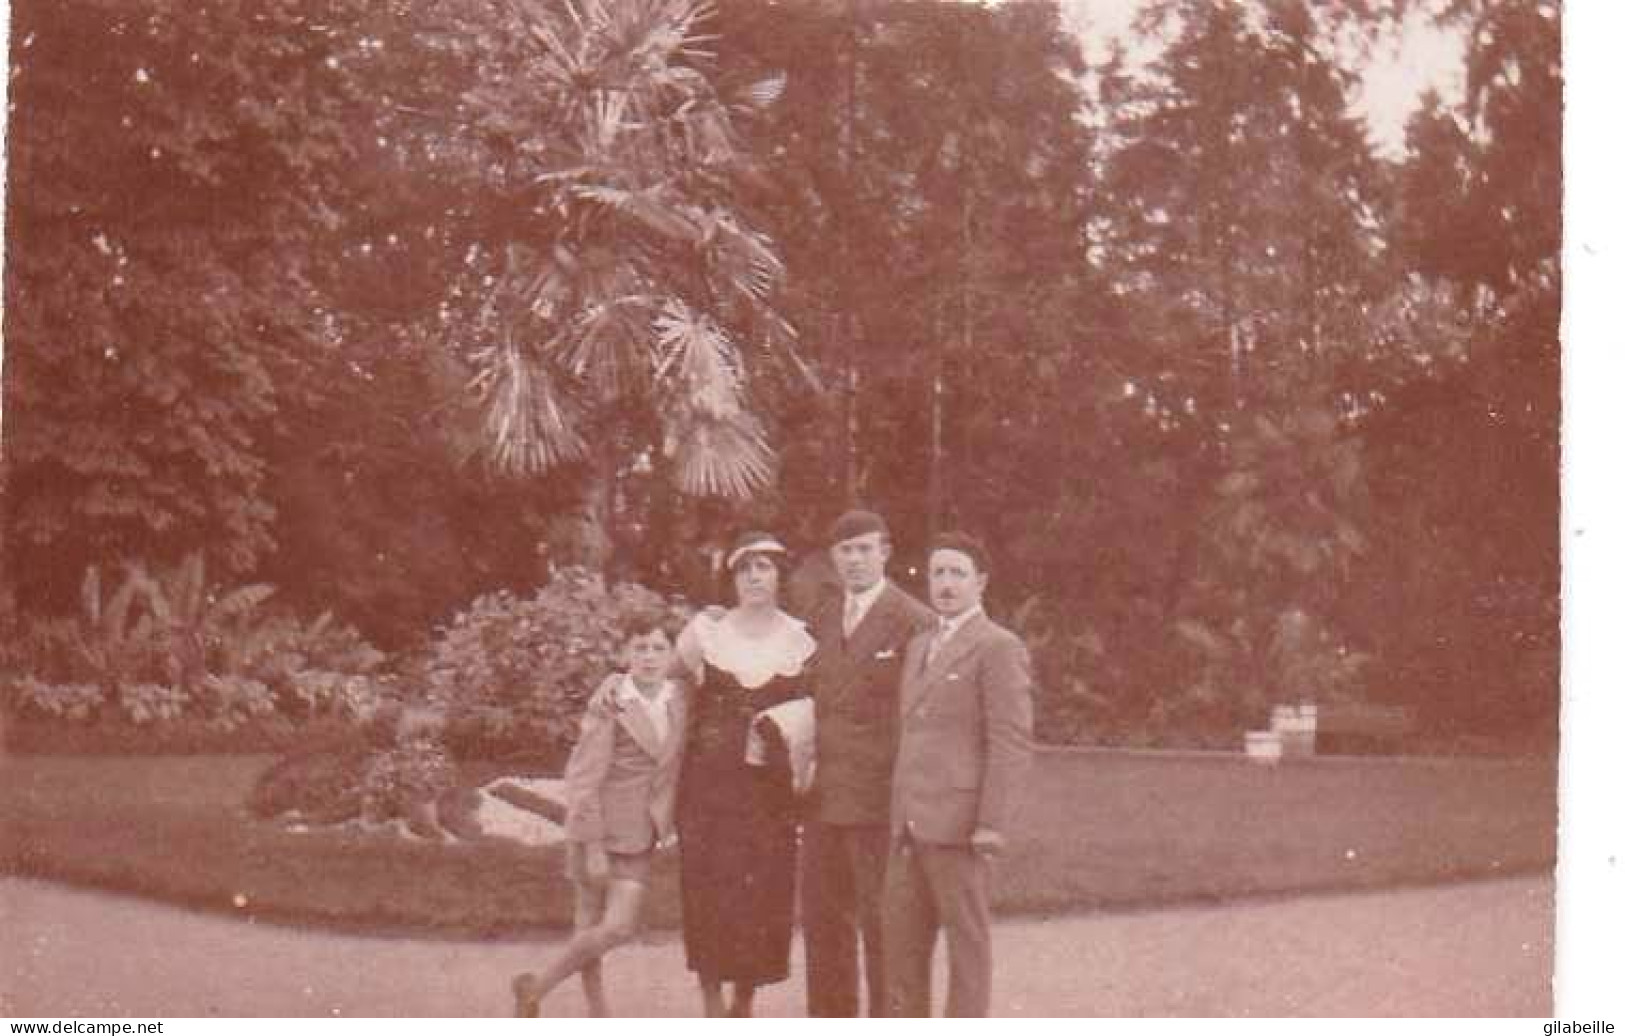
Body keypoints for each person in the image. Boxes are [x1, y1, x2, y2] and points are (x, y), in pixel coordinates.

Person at [883, 532, 1034, 1018]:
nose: (946, 584)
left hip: (961, 826)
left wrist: (991, 821)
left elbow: (1010, 741)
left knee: (966, 951)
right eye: (938, 573)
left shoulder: (998, 646)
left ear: (981, 582)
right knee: (902, 952)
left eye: (957, 573)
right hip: (908, 824)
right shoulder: (920, 645)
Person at [511, 609, 687, 1018]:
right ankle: (597, 1014)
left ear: (672, 654)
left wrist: (713, 615)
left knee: (611, 929)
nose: (648, 657)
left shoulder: (678, 698)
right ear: (625, 652)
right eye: (639, 647)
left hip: (642, 831)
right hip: (599, 828)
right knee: (594, 927)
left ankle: (534, 987)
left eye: (659, 648)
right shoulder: (612, 701)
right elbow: (584, 777)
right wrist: (591, 846)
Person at [674, 530, 815, 1017]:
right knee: (709, 888)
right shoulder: (706, 632)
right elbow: (661, 682)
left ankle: (744, 1003)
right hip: (708, 787)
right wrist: (615, 685)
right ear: (731, 579)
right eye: (745, 568)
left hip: (768, 791)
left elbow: (817, 710)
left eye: (765, 567)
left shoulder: (802, 638)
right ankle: (713, 1004)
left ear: (780, 576)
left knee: (763, 892)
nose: (755, 577)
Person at [801, 509, 934, 1017]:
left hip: (880, 799)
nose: (854, 560)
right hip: (822, 796)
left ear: (885, 552)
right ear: (833, 559)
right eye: (844, 551)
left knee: (885, 926)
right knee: (824, 924)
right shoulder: (822, 615)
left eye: (863, 549)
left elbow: (922, 719)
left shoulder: (913, 620)